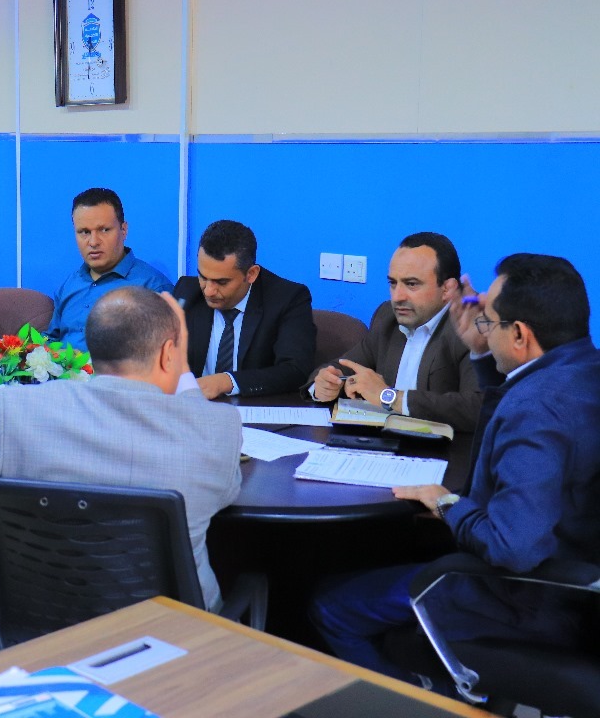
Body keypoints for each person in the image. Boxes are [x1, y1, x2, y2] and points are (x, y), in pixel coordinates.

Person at [309, 254, 600, 684]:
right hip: (577, 583)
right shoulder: (581, 372)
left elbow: (512, 548)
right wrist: (482, 354)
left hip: (526, 600)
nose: (482, 328)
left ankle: (416, 703)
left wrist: (447, 503)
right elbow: (505, 433)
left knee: (331, 604)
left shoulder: (537, 407)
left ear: (520, 334)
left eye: (489, 322)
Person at [0, 286, 244, 613]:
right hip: (178, 638)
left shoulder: (19, 413)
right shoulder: (217, 430)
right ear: (168, 353)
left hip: (40, 633)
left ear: (92, 348)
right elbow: (224, 493)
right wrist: (182, 368)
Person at [308, 232, 481, 431]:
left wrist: (389, 397)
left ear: (447, 289)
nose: (397, 297)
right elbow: (341, 367)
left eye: (411, 284)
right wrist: (324, 385)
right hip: (386, 442)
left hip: (446, 447)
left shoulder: (473, 324)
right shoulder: (387, 317)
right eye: (393, 283)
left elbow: (476, 407)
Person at [174, 219, 316, 399]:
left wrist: (227, 381)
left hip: (253, 407)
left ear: (251, 274)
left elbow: (295, 370)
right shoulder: (187, 293)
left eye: (221, 282)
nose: (208, 291)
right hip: (194, 406)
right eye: (203, 277)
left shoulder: (288, 299)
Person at [47, 188, 173, 351]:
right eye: (84, 232)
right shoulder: (69, 285)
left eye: (104, 230)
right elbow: (51, 339)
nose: (93, 242)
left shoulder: (152, 287)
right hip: (62, 367)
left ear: (123, 230)